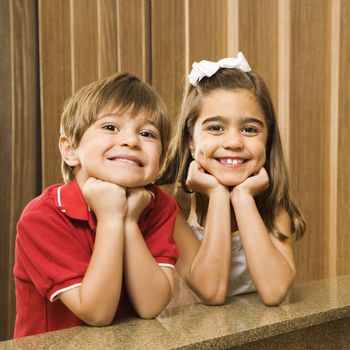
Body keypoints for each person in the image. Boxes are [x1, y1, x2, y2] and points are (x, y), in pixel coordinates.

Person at [13, 72, 179, 338]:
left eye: (147, 133)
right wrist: (112, 217)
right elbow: (97, 313)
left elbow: (151, 305)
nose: (132, 141)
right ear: (70, 150)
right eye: (111, 127)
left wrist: (129, 221)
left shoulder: (159, 206)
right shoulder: (43, 216)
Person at [157, 52, 305, 307]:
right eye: (215, 128)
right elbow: (211, 291)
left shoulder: (272, 207)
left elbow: (275, 291)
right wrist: (216, 196)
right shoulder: (171, 207)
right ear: (191, 141)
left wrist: (242, 198)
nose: (234, 142)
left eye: (249, 129)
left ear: (267, 141)